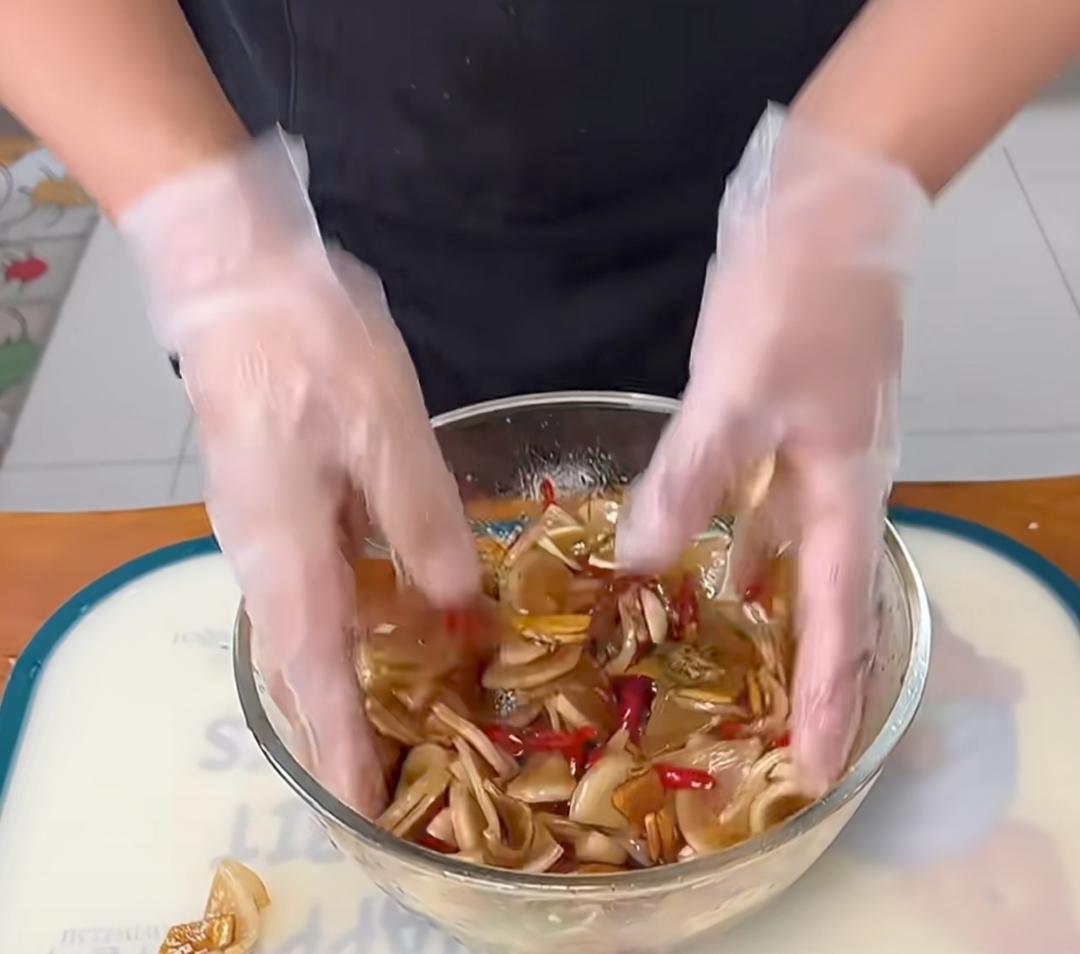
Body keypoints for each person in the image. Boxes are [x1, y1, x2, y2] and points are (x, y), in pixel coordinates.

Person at [2, 0, 1077, 815]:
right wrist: (210, 234)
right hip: (309, 162)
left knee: (757, 544)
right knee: (351, 588)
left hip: (762, 123)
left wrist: (858, 175)